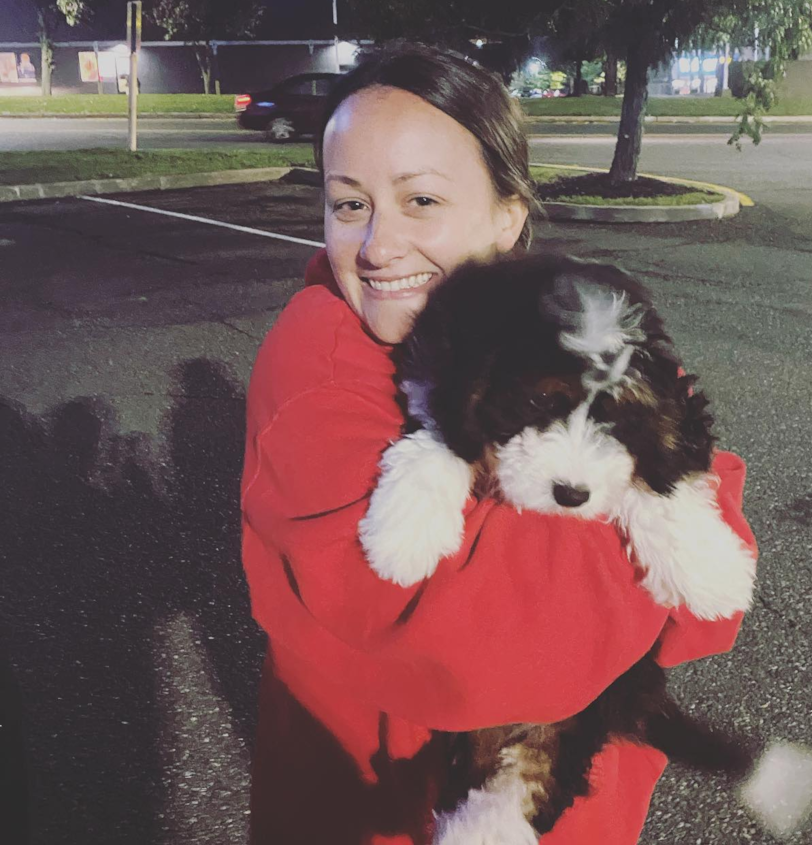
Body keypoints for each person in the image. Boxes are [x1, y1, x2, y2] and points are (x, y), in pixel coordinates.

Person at [240, 41, 756, 845]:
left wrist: (673, 533)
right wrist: (656, 522)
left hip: (582, 814)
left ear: (509, 217)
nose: (377, 245)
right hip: (379, 815)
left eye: (421, 202)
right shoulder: (319, 362)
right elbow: (490, 650)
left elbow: (714, 609)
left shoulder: (592, 325)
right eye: (349, 204)